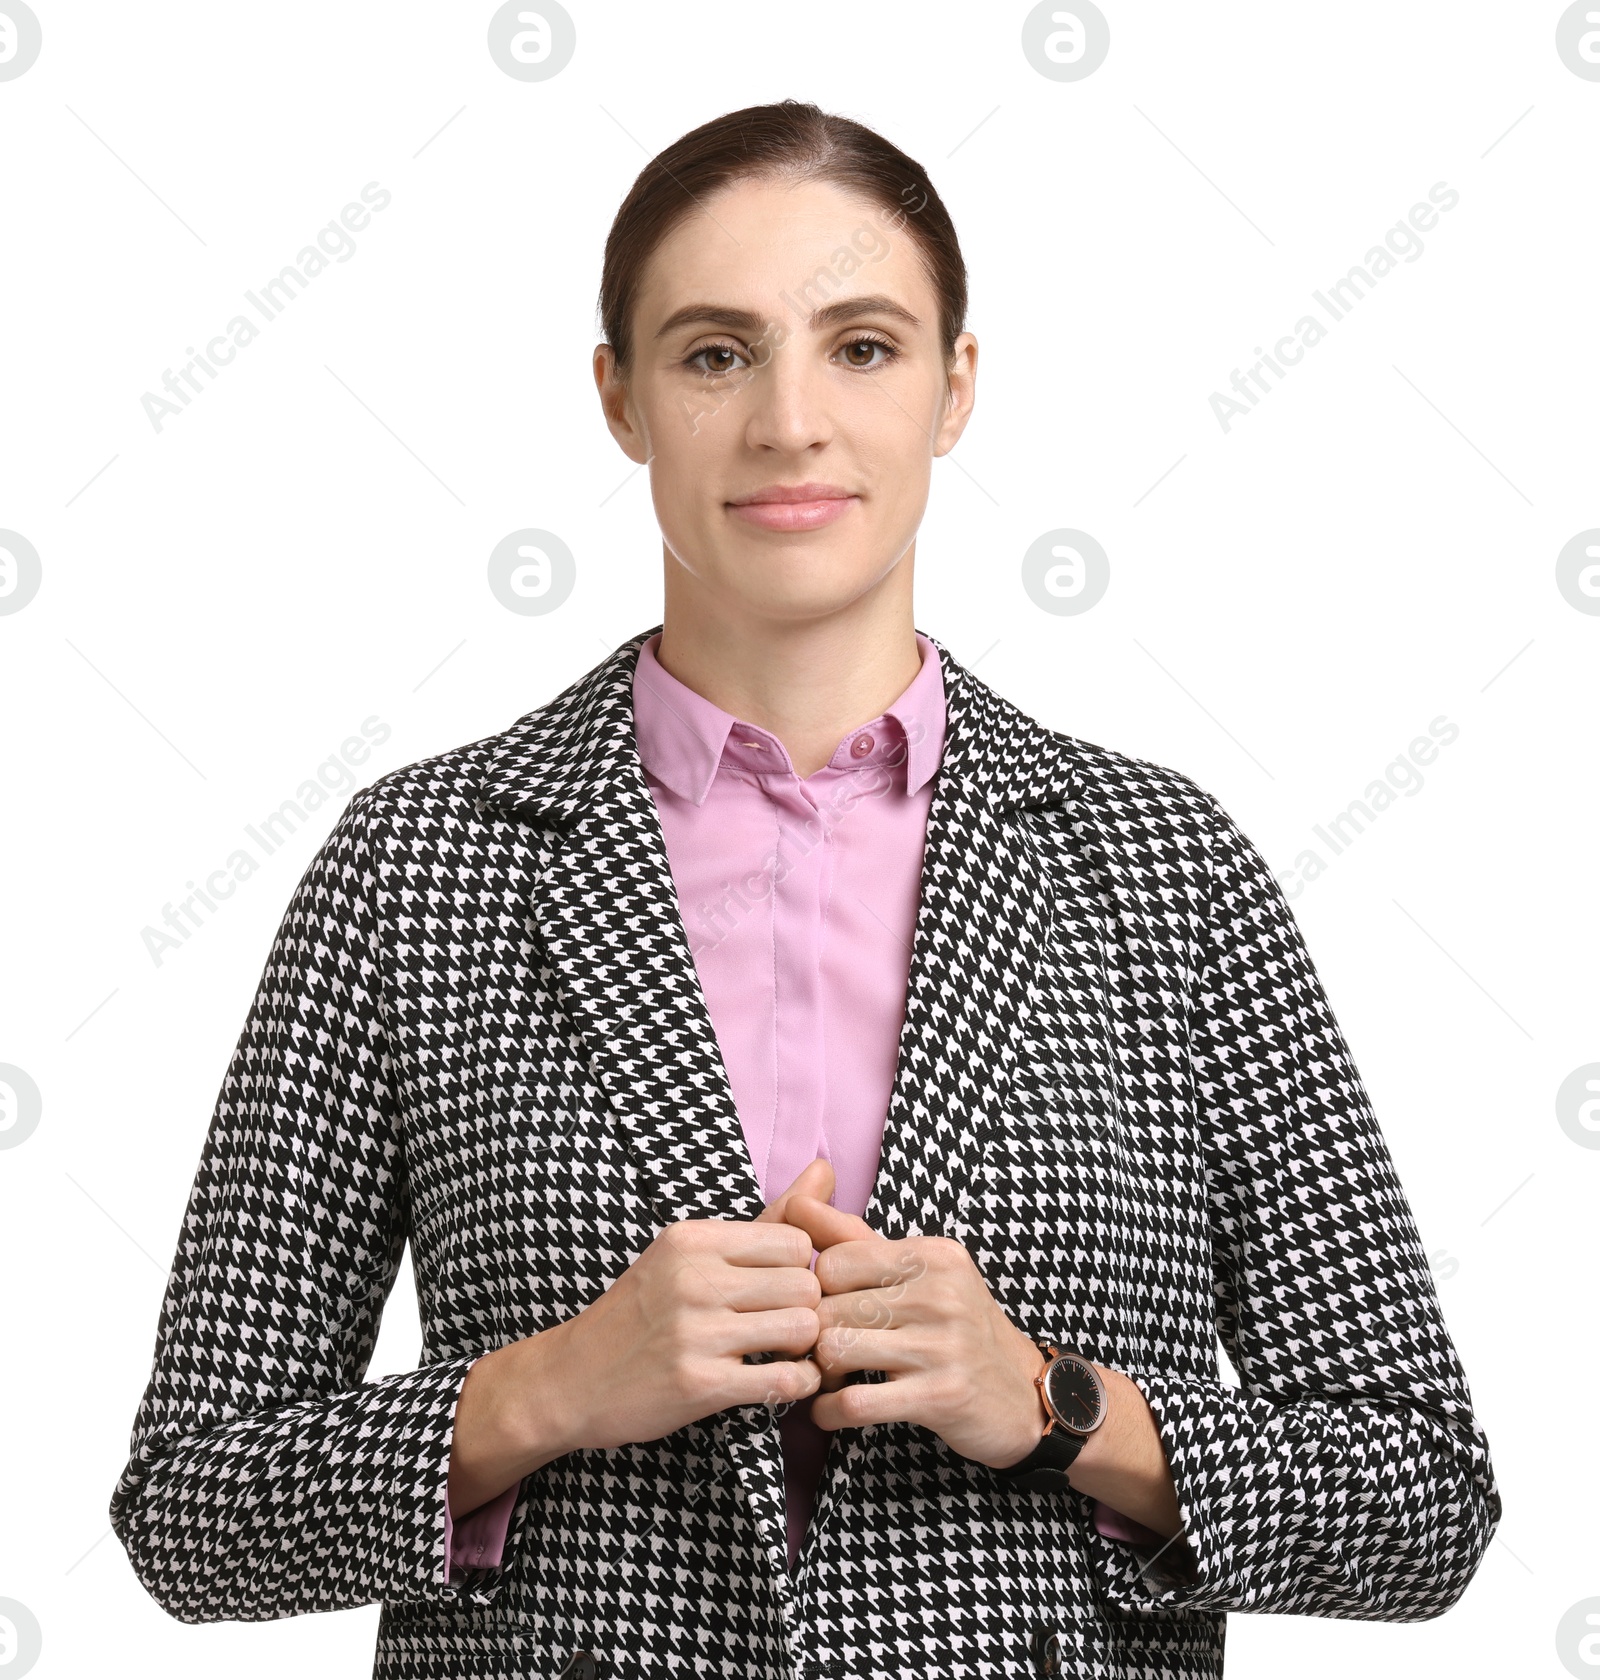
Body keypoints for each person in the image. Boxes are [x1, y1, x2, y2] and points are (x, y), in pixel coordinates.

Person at [110, 99, 1502, 1680]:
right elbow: (191, 1508)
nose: (787, 422)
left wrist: (1055, 1403)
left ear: (955, 388)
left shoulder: (1162, 870)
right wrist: (552, 1387)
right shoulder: (424, 864)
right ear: (620, 398)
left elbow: (1425, 1499)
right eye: (714, 353)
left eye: (861, 347)